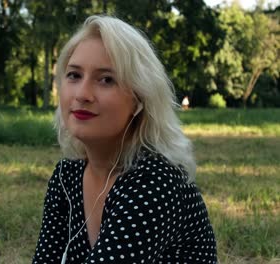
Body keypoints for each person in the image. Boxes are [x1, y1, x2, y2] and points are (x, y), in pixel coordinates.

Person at [32, 15, 217, 263]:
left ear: (139, 100)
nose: (82, 94)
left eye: (106, 79)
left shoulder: (156, 182)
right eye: (74, 75)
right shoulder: (67, 177)